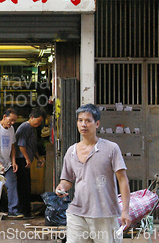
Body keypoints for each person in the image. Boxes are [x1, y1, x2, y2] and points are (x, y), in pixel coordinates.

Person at [56, 104, 131, 243]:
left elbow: (122, 180)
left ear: (97, 124)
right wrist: (61, 188)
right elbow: (67, 180)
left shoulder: (111, 148)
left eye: (88, 121)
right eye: (80, 120)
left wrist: (125, 211)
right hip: (77, 213)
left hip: (104, 214)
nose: (83, 124)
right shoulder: (71, 151)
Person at [14, 107, 47, 219]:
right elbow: (21, 145)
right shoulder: (25, 127)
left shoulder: (31, 128)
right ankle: (23, 212)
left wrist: (38, 158)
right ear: (32, 117)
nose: (39, 123)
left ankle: (26, 211)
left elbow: (32, 147)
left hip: (26, 160)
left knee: (27, 186)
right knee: (24, 187)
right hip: (22, 160)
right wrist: (28, 159)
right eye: (38, 121)